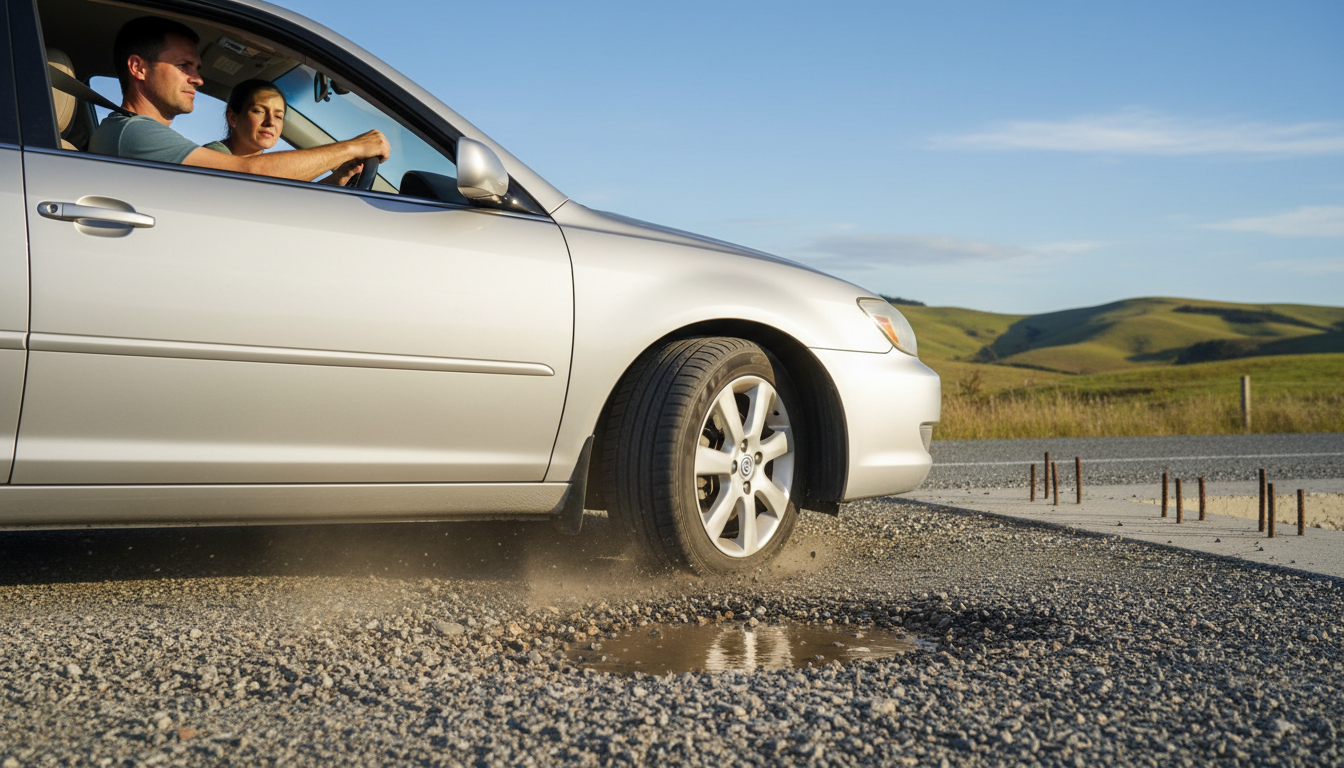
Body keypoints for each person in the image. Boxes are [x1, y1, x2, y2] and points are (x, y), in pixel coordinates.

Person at [89, 16, 389, 182]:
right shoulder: (133, 133)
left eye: (197, 68)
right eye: (184, 66)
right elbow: (250, 176)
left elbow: (269, 197)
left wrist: (337, 177)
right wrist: (352, 146)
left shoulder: (140, 135)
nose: (198, 79)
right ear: (138, 68)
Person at [201, 79, 364, 185]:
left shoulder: (272, 169)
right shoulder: (213, 155)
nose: (271, 122)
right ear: (233, 117)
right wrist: (352, 148)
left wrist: (340, 176)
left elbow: (286, 201)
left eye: (278, 116)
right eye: (259, 111)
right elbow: (252, 181)